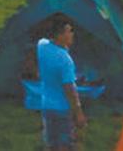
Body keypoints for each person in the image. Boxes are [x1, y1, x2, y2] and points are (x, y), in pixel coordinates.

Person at [37, 15, 87, 149]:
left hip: (46, 105)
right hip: (62, 109)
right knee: (65, 144)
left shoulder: (42, 46)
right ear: (60, 35)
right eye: (68, 31)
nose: (72, 34)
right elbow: (69, 89)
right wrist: (78, 113)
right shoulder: (65, 60)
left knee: (51, 143)